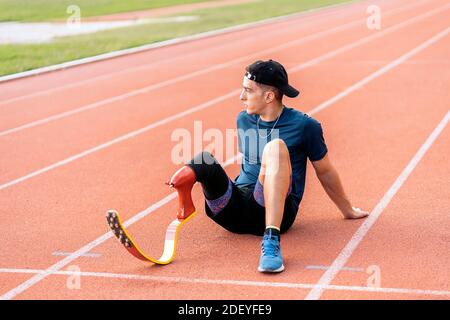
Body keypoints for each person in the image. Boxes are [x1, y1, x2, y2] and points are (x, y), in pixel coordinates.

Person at [167, 59, 369, 273]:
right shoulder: (243, 119)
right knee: (203, 159)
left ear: (269, 96)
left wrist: (347, 209)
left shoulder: (305, 126)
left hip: (273, 213)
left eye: (247, 90)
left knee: (275, 148)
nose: (241, 97)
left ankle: (271, 242)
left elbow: (325, 171)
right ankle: (183, 195)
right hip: (233, 212)